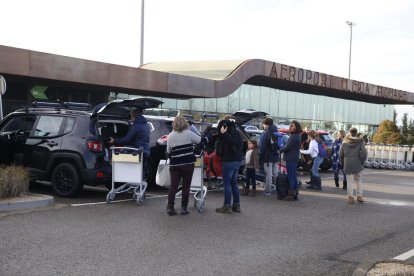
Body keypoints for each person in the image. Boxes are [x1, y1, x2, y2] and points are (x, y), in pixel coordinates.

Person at [166, 115, 209, 215]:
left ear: (174, 123)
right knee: (186, 186)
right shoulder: (189, 133)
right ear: (185, 123)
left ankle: (170, 207)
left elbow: (168, 151)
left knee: (173, 186)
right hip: (187, 164)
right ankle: (183, 208)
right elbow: (199, 140)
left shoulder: (170, 135)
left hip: (175, 164)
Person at [108, 108, 150, 175]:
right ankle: (139, 182)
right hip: (145, 151)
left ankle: (116, 174)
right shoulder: (146, 124)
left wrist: (114, 140)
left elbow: (126, 139)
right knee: (139, 171)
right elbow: (138, 138)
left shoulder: (136, 126)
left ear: (133, 116)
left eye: (131, 115)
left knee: (112, 154)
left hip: (137, 152)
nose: (130, 117)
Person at [215, 116, 243, 214]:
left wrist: (223, 134)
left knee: (227, 184)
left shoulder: (228, 134)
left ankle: (227, 205)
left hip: (229, 161)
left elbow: (230, 142)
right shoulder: (238, 133)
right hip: (237, 161)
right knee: (234, 183)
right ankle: (236, 205)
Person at [339, 128, 367, 204]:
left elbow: (341, 154)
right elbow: (364, 153)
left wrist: (342, 163)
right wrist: (362, 162)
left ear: (349, 132)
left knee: (350, 180)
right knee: (358, 180)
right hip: (358, 163)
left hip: (348, 163)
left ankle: (350, 197)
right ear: (356, 133)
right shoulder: (360, 142)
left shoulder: (344, 142)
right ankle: (359, 196)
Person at [279, 120, 302, 201]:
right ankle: (295, 193)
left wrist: (280, 150)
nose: (290, 127)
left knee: (291, 177)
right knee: (294, 177)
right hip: (294, 158)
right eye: (290, 126)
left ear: (296, 127)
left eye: (292, 126)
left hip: (291, 158)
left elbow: (288, 147)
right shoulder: (298, 135)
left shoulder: (294, 136)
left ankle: (291, 194)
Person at [259, 117, 279, 195]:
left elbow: (262, 146)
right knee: (275, 173)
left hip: (267, 157)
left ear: (266, 124)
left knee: (269, 175)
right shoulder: (276, 131)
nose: (263, 126)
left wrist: (260, 156)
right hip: (275, 155)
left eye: (263, 124)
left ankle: (268, 190)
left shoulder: (266, 133)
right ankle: (278, 188)